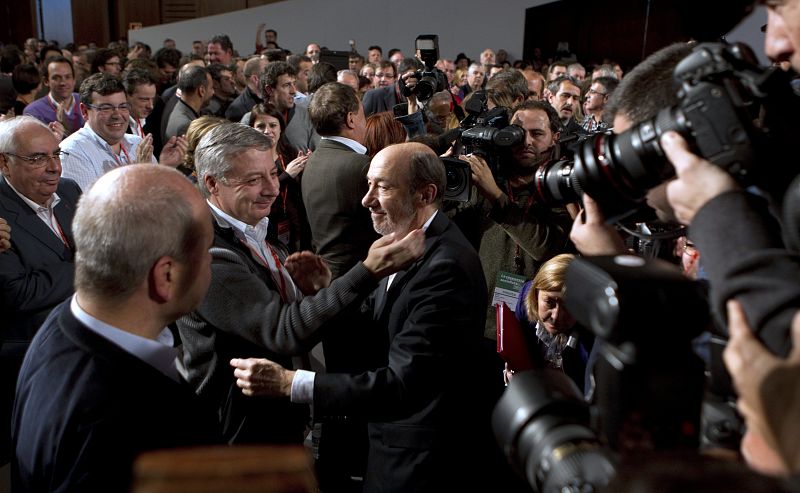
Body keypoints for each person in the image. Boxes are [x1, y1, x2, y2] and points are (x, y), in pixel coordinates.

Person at [231, 143, 500, 493]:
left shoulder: (446, 266)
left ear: (426, 194)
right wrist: (324, 289)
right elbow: (377, 336)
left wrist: (292, 383)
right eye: (368, 184)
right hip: (386, 443)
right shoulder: (399, 244)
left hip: (418, 463)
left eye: (383, 187)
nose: (366, 199)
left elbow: (402, 383)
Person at [176, 122, 424, 446]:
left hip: (274, 424)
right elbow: (284, 331)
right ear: (212, 183)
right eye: (253, 180)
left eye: (271, 172)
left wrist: (317, 288)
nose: (272, 188)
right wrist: (368, 271)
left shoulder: (249, 225)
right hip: (241, 442)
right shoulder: (208, 256)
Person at [12, 165, 222, 492]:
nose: (211, 262)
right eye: (207, 251)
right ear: (166, 276)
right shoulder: (140, 423)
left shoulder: (59, 324)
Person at [0, 116, 81, 465]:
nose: (53, 168)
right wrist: (93, 267)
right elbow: (20, 293)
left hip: (82, 347)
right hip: (28, 361)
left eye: (56, 154)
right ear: (4, 162)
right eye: (37, 158)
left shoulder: (70, 190)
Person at [59, 73, 187, 190]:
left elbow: (158, 197)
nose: (117, 115)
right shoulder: (72, 152)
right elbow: (92, 211)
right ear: (84, 111)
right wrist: (140, 177)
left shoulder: (137, 143)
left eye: (123, 107)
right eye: (106, 108)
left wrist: (165, 167)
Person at [505, 254, 593, 393]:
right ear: (535, 295)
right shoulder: (524, 302)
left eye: (569, 306)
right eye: (549, 302)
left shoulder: (593, 336)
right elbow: (520, 350)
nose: (556, 316)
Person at [249, 102, 311, 252]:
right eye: (261, 126)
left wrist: (306, 169)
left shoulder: (289, 152)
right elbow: (259, 192)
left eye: (273, 125)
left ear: (281, 128)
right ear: (252, 128)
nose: (267, 131)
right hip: (265, 225)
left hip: (294, 222)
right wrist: (288, 175)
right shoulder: (249, 158)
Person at [22, 55, 85, 136]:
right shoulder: (33, 112)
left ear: (74, 80)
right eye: (56, 78)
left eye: (67, 77)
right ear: (46, 81)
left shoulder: (87, 101)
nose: (63, 83)